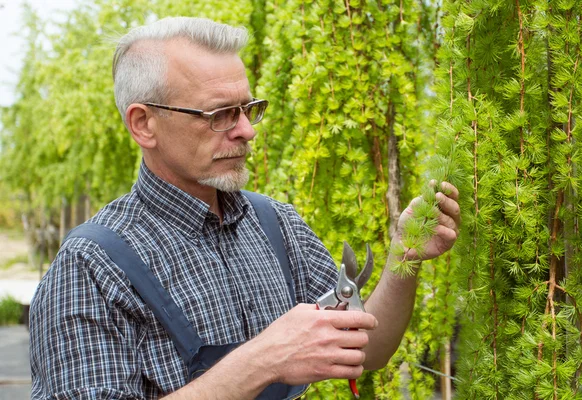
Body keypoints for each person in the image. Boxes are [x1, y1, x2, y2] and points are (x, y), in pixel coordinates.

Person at [29, 17, 461, 400]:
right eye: (220, 114)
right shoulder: (89, 266)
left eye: (248, 109)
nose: (247, 131)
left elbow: (366, 351)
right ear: (144, 123)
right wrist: (263, 360)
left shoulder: (276, 225)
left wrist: (403, 258)